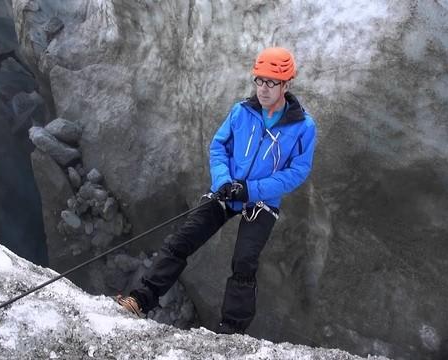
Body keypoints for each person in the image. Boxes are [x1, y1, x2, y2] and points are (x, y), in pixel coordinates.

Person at [117, 47, 317, 334]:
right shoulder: (242, 111)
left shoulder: (303, 126)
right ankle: (140, 300)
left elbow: (298, 171)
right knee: (183, 239)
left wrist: (251, 190)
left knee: (244, 262)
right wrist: (223, 181)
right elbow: (218, 146)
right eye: (259, 80)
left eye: (271, 82)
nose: (263, 88)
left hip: (260, 201)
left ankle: (231, 332)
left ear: (286, 84)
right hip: (226, 192)